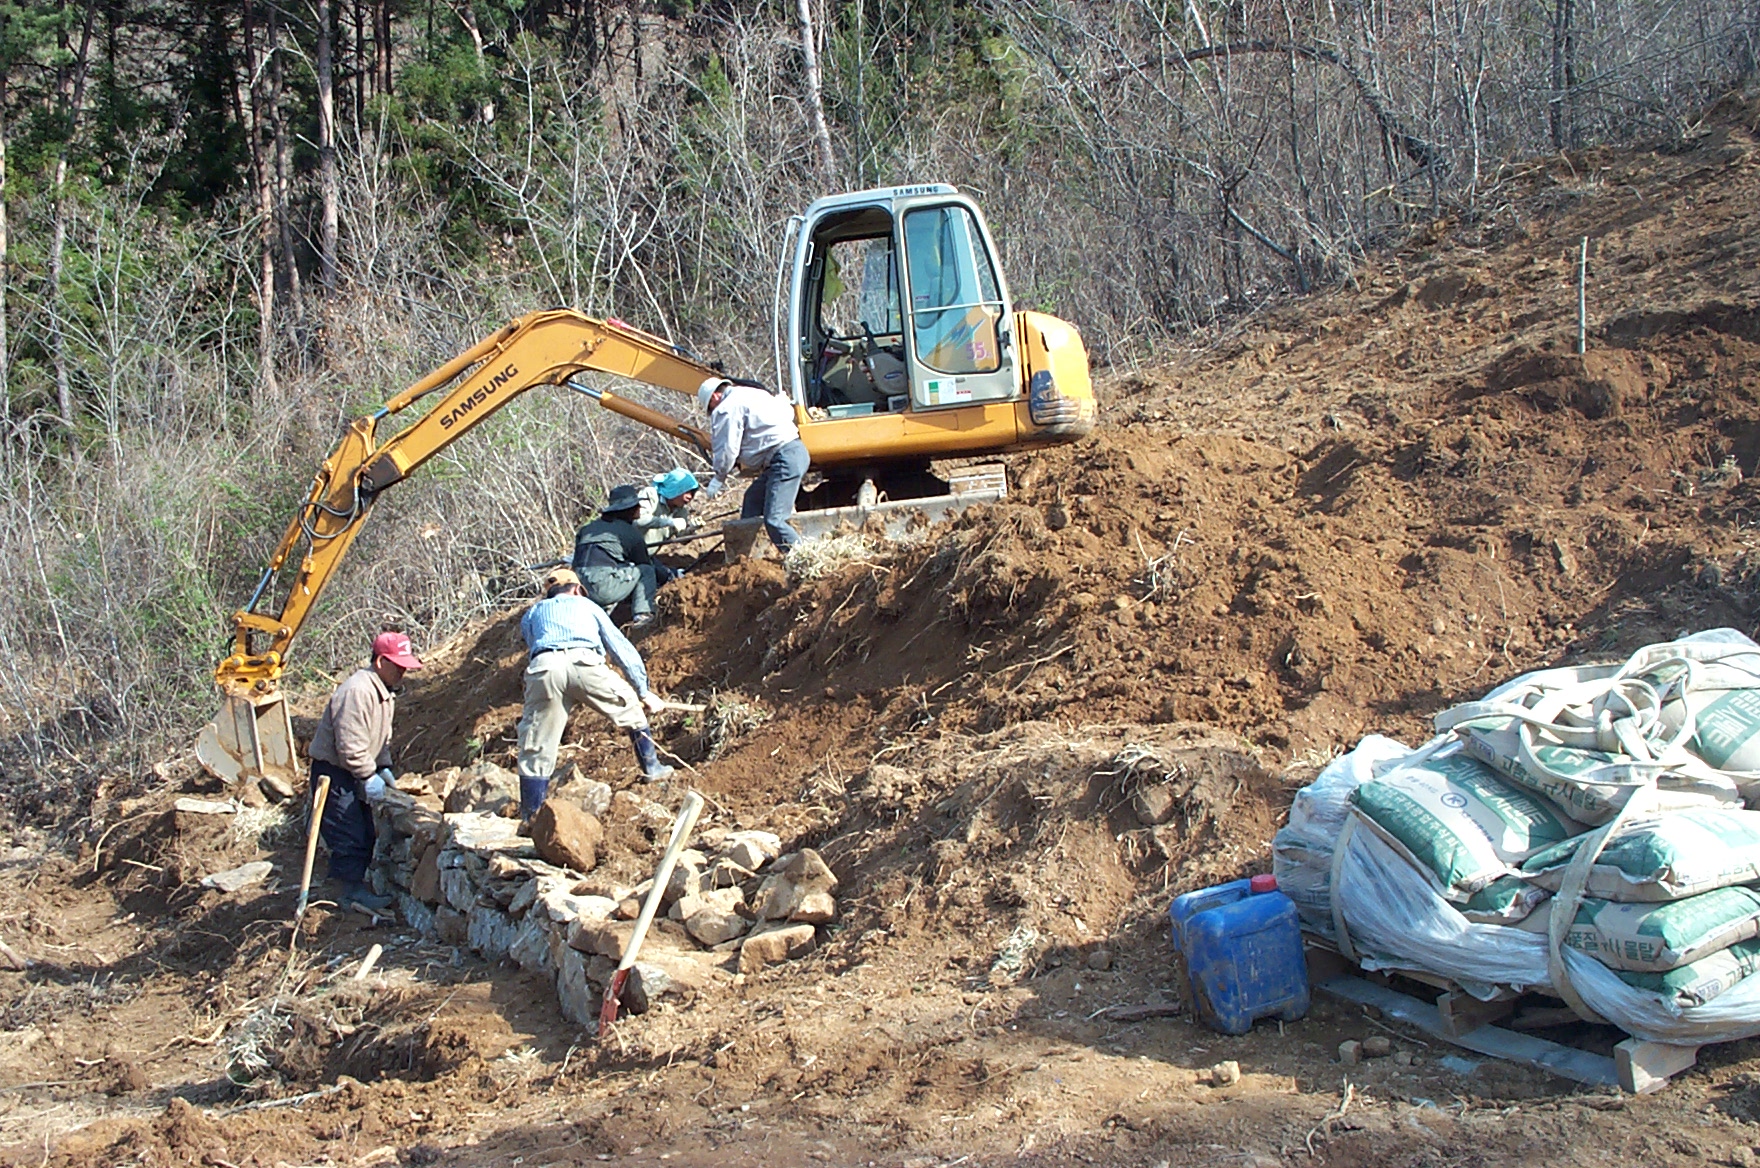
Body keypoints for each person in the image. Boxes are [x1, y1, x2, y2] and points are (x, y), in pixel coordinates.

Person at [516, 567, 674, 819]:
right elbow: (620, 648)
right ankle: (652, 769)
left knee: (535, 741)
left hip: (544, 667)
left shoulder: (533, 612)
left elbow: (532, 642)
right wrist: (643, 692)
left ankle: (531, 814)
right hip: (584, 662)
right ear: (577, 589)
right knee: (630, 706)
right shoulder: (587, 606)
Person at [308, 630, 424, 914]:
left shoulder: (383, 691)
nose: (403, 672)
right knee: (348, 834)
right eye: (398, 665)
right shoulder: (357, 691)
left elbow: (380, 737)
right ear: (381, 661)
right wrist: (367, 775)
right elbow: (349, 744)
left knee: (365, 832)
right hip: (334, 774)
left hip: (353, 770)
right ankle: (348, 894)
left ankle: (354, 888)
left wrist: (383, 767)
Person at [698, 376, 809, 555]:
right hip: (793, 452)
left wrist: (719, 476)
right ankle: (745, 558)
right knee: (753, 498)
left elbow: (728, 448)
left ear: (714, 398)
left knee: (775, 520)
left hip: (782, 458)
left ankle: (805, 557)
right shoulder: (754, 393)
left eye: (710, 408)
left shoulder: (727, 408)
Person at [571, 484, 659, 627]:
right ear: (629, 510)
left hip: (579, 590)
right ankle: (643, 614)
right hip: (603, 588)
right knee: (645, 571)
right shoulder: (629, 532)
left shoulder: (587, 529)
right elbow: (645, 563)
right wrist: (669, 576)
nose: (639, 508)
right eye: (636, 505)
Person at [636, 468, 700, 583]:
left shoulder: (681, 512)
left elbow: (681, 539)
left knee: (669, 576)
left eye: (692, 493)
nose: (690, 497)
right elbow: (639, 519)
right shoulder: (650, 494)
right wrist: (669, 522)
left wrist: (691, 529)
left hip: (648, 557)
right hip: (630, 553)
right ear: (676, 488)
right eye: (687, 491)